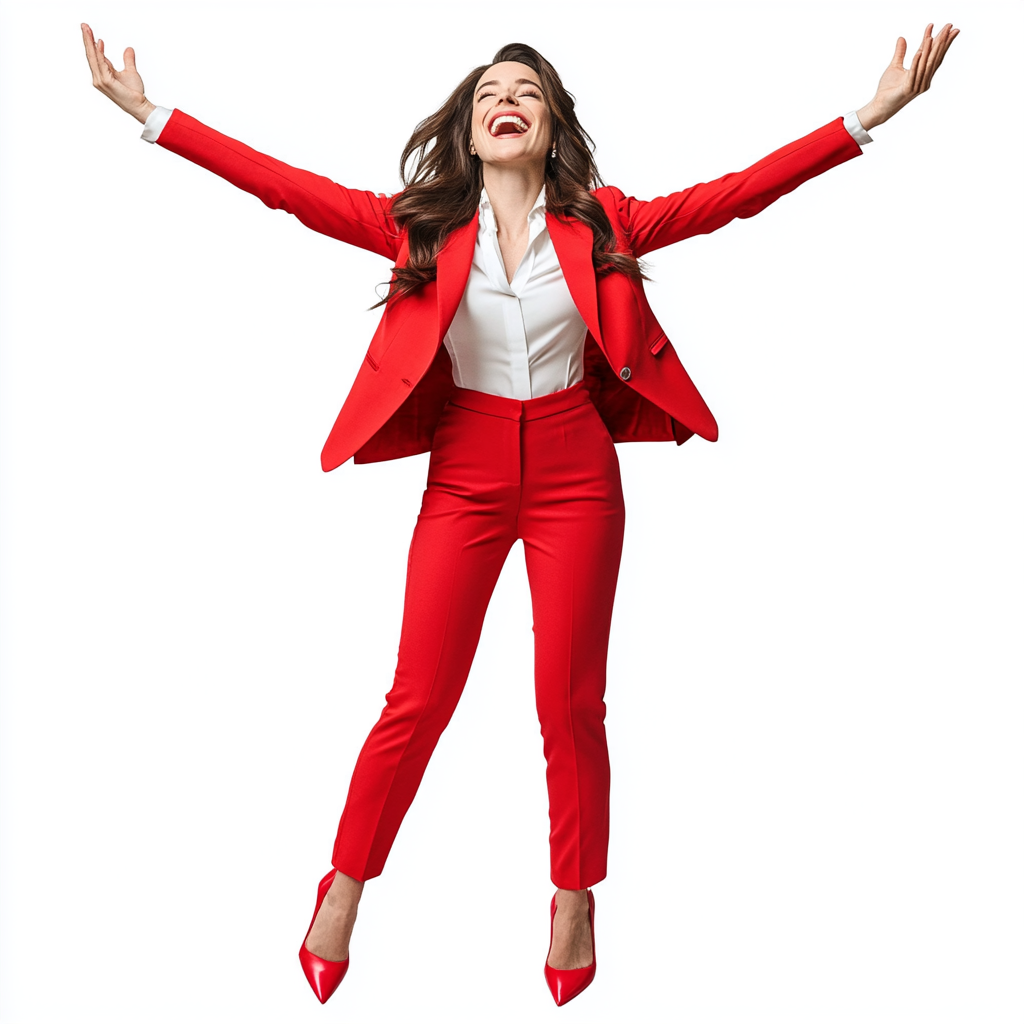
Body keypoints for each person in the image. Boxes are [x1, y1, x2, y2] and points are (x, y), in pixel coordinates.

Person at [80, 24, 958, 1007]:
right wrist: (151, 116)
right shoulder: (416, 224)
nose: (508, 100)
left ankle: (574, 895)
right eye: (491, 90)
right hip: (466, 465)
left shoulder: (604, 223)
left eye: (528, 93)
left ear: (548, 130)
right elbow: (285, 187)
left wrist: (862, 118)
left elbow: (734, 196)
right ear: (467, 129)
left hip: (577, 467)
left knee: (570, 702)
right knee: (417, 697)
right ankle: (344, 884)